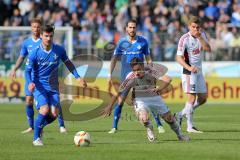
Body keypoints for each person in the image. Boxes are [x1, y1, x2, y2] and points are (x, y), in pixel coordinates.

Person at [25, 24, 87, 146]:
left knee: (54, 114)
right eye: (46, 36)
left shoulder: (59, 50)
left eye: (51, 36)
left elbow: (68, 63)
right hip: (39, 86)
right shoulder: (34, 52)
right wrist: (30, 82)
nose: (48, 38)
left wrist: (78, 77)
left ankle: (40, 126)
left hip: (53, 87)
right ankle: (36, 138)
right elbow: (27, 71)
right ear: (41, 36)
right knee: (45, 109)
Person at [102, 58, 189, 142]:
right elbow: (118, 92)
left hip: (155, 98)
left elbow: (168, 79)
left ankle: (180, 135)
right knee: (144, 118)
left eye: (138, 69)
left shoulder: (151, 72)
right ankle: (149, 129)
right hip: (140, 100)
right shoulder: (130, 77)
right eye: (134, 70)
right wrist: (110, 106)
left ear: (143, 67)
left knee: (169, 119)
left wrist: (159, 89)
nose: (136, 73)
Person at [9, 18, 68, 134]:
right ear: (31, 27)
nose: (35, 29)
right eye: (33, 26)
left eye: (37, 26)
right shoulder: (27, 43)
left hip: (47, 80)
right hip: (32, 77)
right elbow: (21, 57)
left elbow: (64, 60)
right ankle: (32, 127)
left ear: (40, 28)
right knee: (29, 101)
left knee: (53, 105)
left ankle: (60, 125)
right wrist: (15, 68)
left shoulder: (47, 41)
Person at [108, 19, 165, 134]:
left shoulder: (143, 41)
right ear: (126, 29)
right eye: (130, 27)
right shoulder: (121, 43)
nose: (132, 29)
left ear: (136, 29)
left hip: (141, 75)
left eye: (134, 27)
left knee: (149, 98)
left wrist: (152, 71)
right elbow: (114, 59)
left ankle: (159, 125)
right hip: (126, 75)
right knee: (121, 100)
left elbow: (148, 58)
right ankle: (114, 127)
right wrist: (110, 74)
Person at [175, 16, 211, 133]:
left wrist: (200, 37)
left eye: (197, 27)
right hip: (189, 71)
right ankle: (190, 127)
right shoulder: (184, 39)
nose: (195, 29)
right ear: (189, 27)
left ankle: (181, 114)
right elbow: (178, 58)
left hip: (199, 71)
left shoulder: (202, 35)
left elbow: (208, 49)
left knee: (203, 99)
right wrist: (189, 67)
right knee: (192, 97)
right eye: (193, 27)